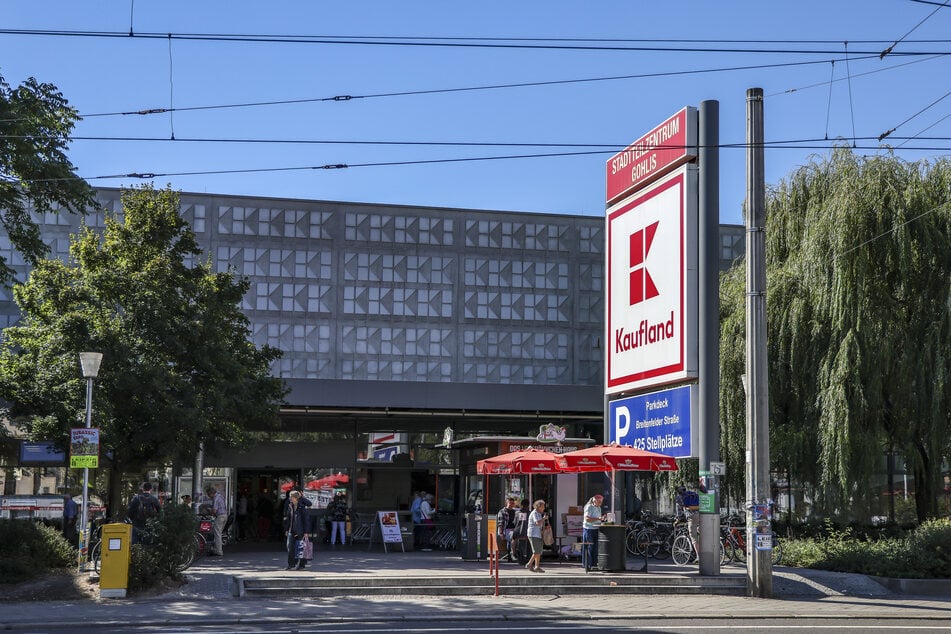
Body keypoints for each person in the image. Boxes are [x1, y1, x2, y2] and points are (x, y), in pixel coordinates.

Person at [282, 490, 312, 570]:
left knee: (301, 548)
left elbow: (306, 520)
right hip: (292, 530)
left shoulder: (302, 508)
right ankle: (291, 564)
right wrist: (286, 529)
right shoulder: (290, 506)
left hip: (300, 531)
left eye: (291, 497)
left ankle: (302, 565)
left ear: (296, 498)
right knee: (291, 548)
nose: (290, 498)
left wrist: (306, 532)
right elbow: (289, 519)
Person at [675, 484, 701, 557]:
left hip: (692, 516)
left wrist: (678, 520)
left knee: (693, 537)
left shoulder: (679, 498)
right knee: (700, 531)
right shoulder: (693, 493)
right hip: (702, 514)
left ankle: (699, 557)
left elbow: (679, 511)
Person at [582, 494, 605, 571]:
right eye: (599, 502)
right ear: (594, 501)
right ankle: (588, 564)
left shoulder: (599, 508)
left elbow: (598, 519)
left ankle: (594, 564)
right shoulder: (589, 507)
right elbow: (587, 518)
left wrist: (602, 519)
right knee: (590, 547)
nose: (600, 503)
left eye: (601, 502)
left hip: (596, 528)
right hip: (589, 529)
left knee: (595, 548)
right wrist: (598, 518)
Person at [525, 499, 547, 573]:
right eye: (543, 506)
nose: (544, 508)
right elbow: (537, 523)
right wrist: (544, 519)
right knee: (536, 551)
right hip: (533, 534)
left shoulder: (538, 513)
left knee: (539, 551)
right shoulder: (534, 513)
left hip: (537, 534)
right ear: (538, 506)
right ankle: (529, 564)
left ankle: (537, 566)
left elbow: (540, 524)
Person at [206, 485, 228, 556]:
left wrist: (209, 511)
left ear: (211, 493)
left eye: (209, 495)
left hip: (220, 516)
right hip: (224, 515)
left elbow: (214, 510)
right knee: (219, 533)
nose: (209, 496)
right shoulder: (220, 496)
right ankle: (216, 549)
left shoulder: (216, 498)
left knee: (217, 534)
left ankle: (219, 551)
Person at [496, 497, 517, 561]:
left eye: (513, 503)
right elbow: (500, 523)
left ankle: (517, 555)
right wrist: (501, 533)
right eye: (510, 503)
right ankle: (511, 555)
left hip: (514, 529)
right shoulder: (502, 511)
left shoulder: (515, 512)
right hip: (507, 530)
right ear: (506, 503)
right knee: (512, 537)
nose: (511, 504)